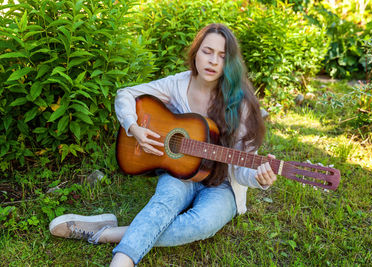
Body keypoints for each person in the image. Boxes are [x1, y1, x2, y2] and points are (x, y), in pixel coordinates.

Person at [49, 23, 277, 266]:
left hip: (222, 184)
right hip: (180, 171)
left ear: (230, 62)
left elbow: (243, 166)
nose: (213, 61)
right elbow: (125, 94)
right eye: (207, 51)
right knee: (162, 206)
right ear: (196, 52)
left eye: (222, 56)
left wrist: (258, 178)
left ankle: (108, 233)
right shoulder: (178, 84)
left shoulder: (239, 102)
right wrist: (134, 128)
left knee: (201, 224)